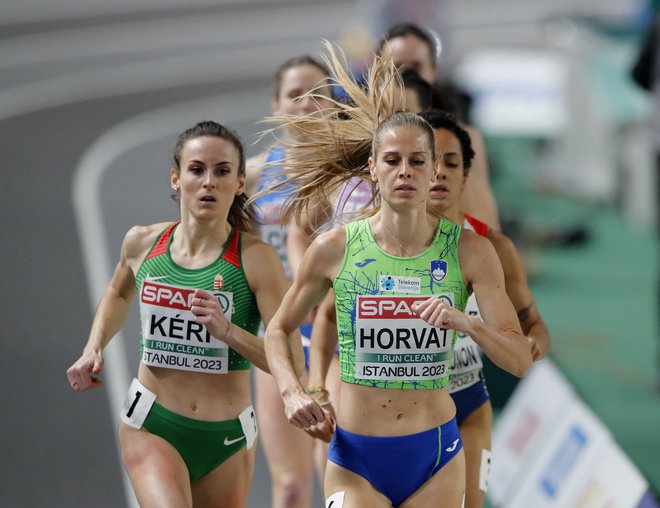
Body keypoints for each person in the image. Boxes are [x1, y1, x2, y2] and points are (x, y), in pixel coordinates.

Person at [263, 77, 533, 506]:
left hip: (436, 459)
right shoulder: (335, 249)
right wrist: (294, 391)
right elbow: (277, 330)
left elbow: (519, 360)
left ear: (434, 171)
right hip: (356, 459)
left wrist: (465, 322)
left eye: (417, 161)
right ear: (373, 168)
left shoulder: (471, 252)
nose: (404, 171)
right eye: (392, 160)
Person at [66, 120, 302, 508]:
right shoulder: (142, 242)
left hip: (227, 438)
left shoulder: (256, 260)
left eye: (222, 171)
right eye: (197, 170)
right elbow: (118, 292)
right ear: (177, 179)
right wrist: (93, 347)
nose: (209, 182)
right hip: (152, 424)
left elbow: (288, 357)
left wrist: (230, 334)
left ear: (240, 183)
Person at [246, 54, 335, 508]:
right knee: (290, 485)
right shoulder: (255, 176)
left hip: (334, 336)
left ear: (335, 105)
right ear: (276, 106)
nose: (306, 105)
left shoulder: (354, 173)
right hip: (277, 336)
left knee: (332, 474)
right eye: (295, 95)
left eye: (318, 94)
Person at [376, 22, 501, 231]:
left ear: (433, 71)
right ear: (377, 73)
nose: (407, 77)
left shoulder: (458, 139)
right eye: (396, 68)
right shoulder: (356, 137)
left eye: (415, 67)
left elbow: (484, 220)